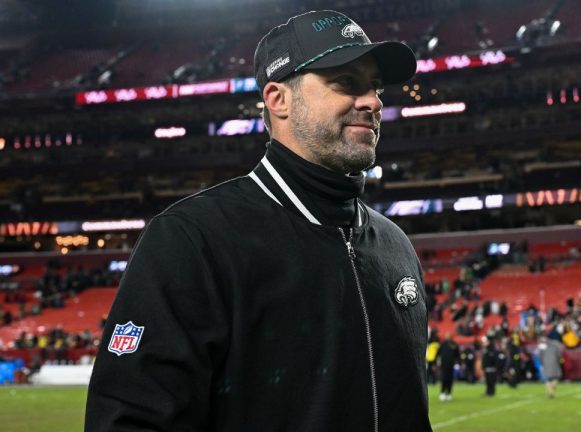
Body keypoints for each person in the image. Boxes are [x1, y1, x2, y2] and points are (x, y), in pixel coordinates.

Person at [85, 10, 431, 432]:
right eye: (347, 82)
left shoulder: (394, 245)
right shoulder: (192, 239)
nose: (373, 102)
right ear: (278, 99)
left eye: (375, 87)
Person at [437, 333, 460, 401]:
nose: (448, 337)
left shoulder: (454, 344)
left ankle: (449, 393)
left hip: (451, 365)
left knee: (450, 379)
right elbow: (438, 353)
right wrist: (435, 362)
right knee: (444, 379)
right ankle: (442, 393)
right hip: (444, 365)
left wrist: (458, 363)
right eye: (447, 336)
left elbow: (458, 355)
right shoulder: (443, 344)